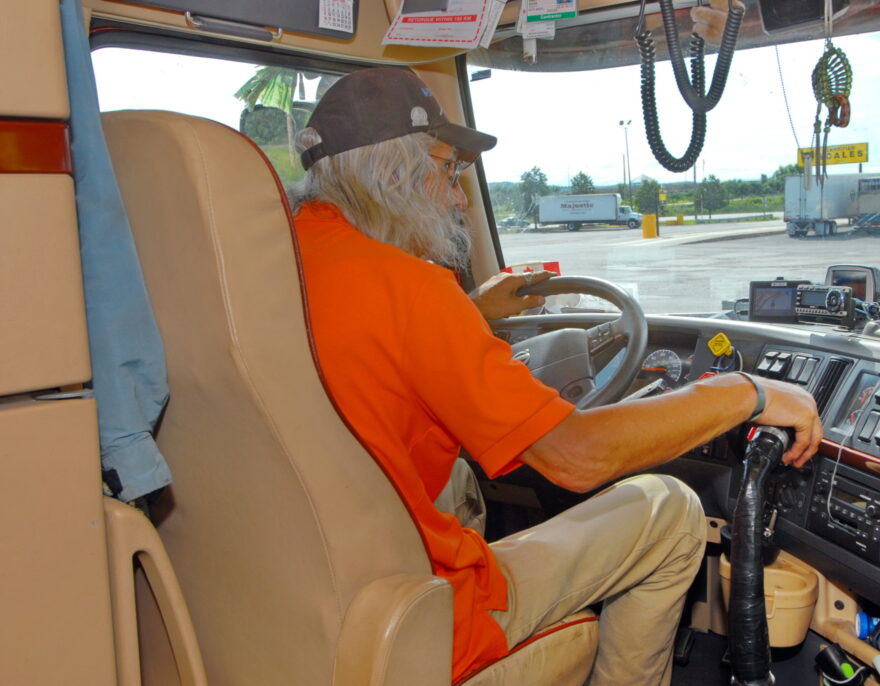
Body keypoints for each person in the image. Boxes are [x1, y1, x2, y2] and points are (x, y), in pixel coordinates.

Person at [291, 67, 821, 686]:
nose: (459, 198)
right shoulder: (410, 290)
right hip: (419, 617)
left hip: (311, 601)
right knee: (671, 508)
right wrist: (738, 392)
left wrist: (472, 313)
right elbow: (575, 458)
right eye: (447, 170)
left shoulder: (286, 258)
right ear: (391, 176)